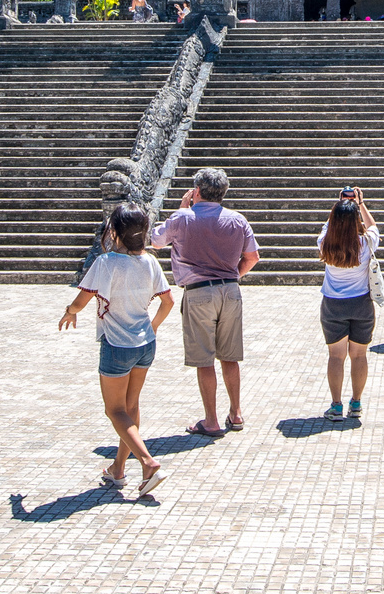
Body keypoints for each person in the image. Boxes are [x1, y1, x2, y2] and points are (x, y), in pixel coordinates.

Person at [59, 202, 174, 498]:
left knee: (115, 410)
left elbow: (82, 300)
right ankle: (118, 469)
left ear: (115, 231)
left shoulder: (106, 262)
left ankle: (148, 463)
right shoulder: (150, 262)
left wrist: (70, 312)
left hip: (117, 346)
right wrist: (153, 326)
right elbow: (168, 302)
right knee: (131, 408)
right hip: (145, 345)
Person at [149, 167, 260, 437]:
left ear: (197, 191)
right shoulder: (237, 220)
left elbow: (155, 242)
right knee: (230, 357)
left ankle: (211, 420)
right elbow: (253, 257)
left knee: (205, 359)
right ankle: (236, 413)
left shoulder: (182, 218)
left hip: (198, 291)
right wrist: (233, 275)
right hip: (230, 290)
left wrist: (182, 209)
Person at [317, 188, 380, 421]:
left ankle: (335, 406)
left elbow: (329, 224)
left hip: (333, 303)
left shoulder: (324, 243)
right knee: (359, 355)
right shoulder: (366, 243)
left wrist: (340, 206)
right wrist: (360, 205)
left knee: (336, 356)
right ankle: (356, 403)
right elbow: (374, 227)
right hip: (361, 303)